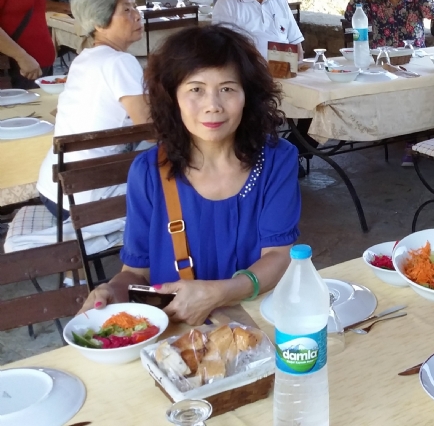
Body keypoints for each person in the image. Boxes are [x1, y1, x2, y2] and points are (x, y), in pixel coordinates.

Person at [79, 25, 301, 326]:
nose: (213, 106)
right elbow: (136, 272)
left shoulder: (276, 160)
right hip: (176, 335)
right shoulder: (148, 172)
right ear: (172, 97)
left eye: (227, 89)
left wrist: (218, 294)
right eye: (196, 89)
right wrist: (113, 290)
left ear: (247, 95)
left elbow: (279, 256)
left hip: (258, 325)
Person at [35, 0, 150, 218]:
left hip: (53, 189)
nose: (137, 15)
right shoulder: (120, 62)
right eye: (126, 10)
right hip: (85, 198)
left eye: (135, 7)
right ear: (99, 22)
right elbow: (150, 128)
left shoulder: (85, 58)